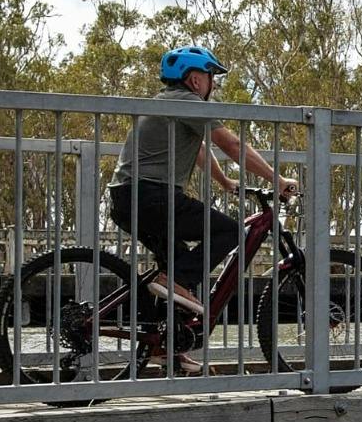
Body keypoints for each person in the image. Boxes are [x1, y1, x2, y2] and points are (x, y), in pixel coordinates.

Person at [105, 45, 297, 370]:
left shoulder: (165, 104)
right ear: (196, 80)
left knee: (176, 265)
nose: (213, 85)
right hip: (152, 196)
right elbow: (232, 144)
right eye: (211, 77)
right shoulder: (188, 103)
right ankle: (171, 284)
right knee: (228, 232)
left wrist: (224, 182)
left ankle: (163, 346)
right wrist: (277, 180)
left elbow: (199, 150)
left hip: (126, 198)